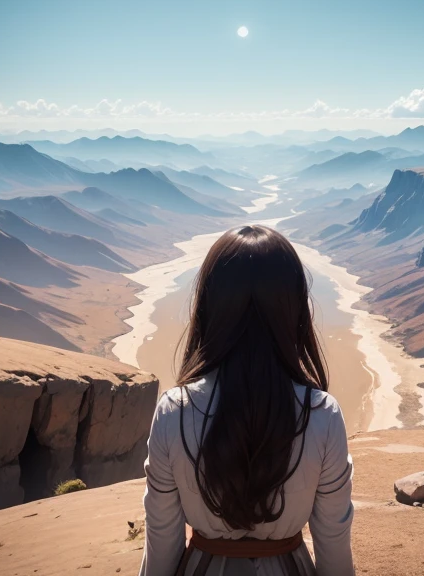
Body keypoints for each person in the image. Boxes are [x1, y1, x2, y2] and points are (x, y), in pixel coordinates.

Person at [140, 225, 356, 576]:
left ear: (209, 306)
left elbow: (161, 542)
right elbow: (334, 544)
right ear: (294, 308)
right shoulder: (322, 414)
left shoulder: (173, 412)